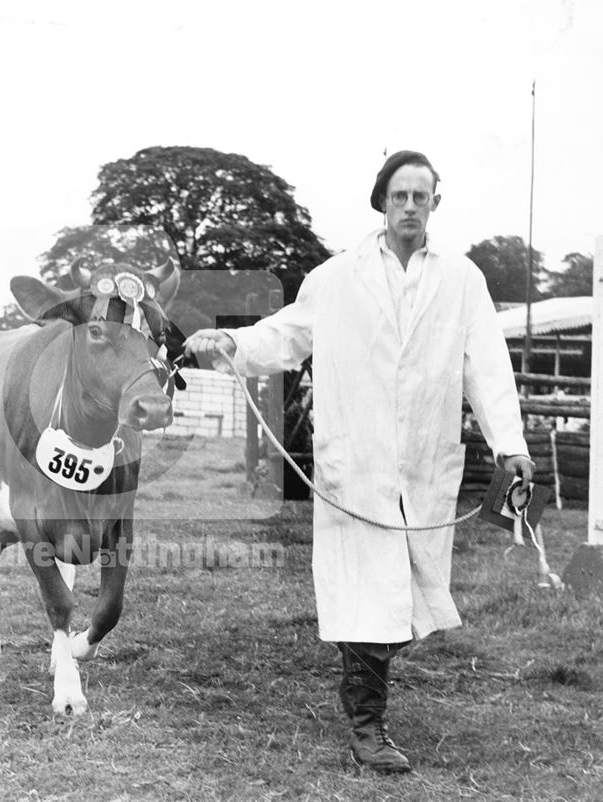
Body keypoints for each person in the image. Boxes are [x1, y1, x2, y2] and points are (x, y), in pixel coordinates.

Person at [185, 150, 533, 774]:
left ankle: (363, 694)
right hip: (357, 461)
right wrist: (231, 342)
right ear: (381, 202)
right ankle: (368, 725)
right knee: (367, 592)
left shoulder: (462, 280)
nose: (408, 207)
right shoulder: (337, 276)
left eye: (420, 197)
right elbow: (286, 334)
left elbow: (487, 366)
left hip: (422, 459)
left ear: (434, 204)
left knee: (401, 596)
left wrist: (511, 444)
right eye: (398, 196)